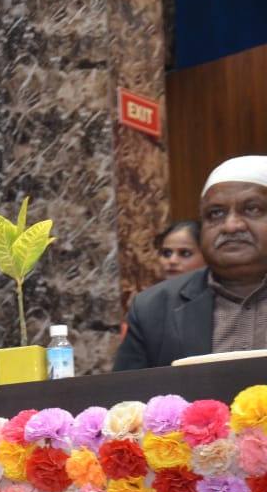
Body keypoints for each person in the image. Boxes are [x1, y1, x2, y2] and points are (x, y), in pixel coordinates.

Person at [114, 155, 267, 370]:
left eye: (252, 209)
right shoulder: (154, 309)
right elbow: (126, 391)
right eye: (216, 213)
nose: (231, 226)